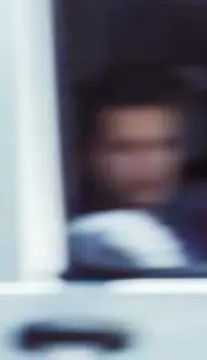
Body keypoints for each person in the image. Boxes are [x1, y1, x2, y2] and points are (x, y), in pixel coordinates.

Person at [68, 65, 196, 269]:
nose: (150, 162)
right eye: (124, 148)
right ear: (84, 156)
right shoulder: (59, 245)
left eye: (166, 145)